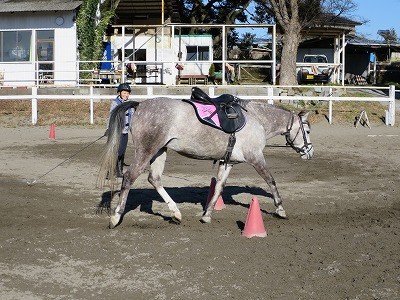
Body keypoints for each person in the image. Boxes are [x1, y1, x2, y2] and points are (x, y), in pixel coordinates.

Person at [106, 82, 134, 178]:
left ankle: (119, 171)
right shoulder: (115, 103)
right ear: (119, 93)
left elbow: (132, 117)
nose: (126, 95)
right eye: (124, 93)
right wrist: (108, 128)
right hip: (117, 132)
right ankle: (109, 171)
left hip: (125, 132)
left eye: (127, 93)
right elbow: (111, 116)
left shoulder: (129, 104)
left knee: (122, 152)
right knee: (117, 151)